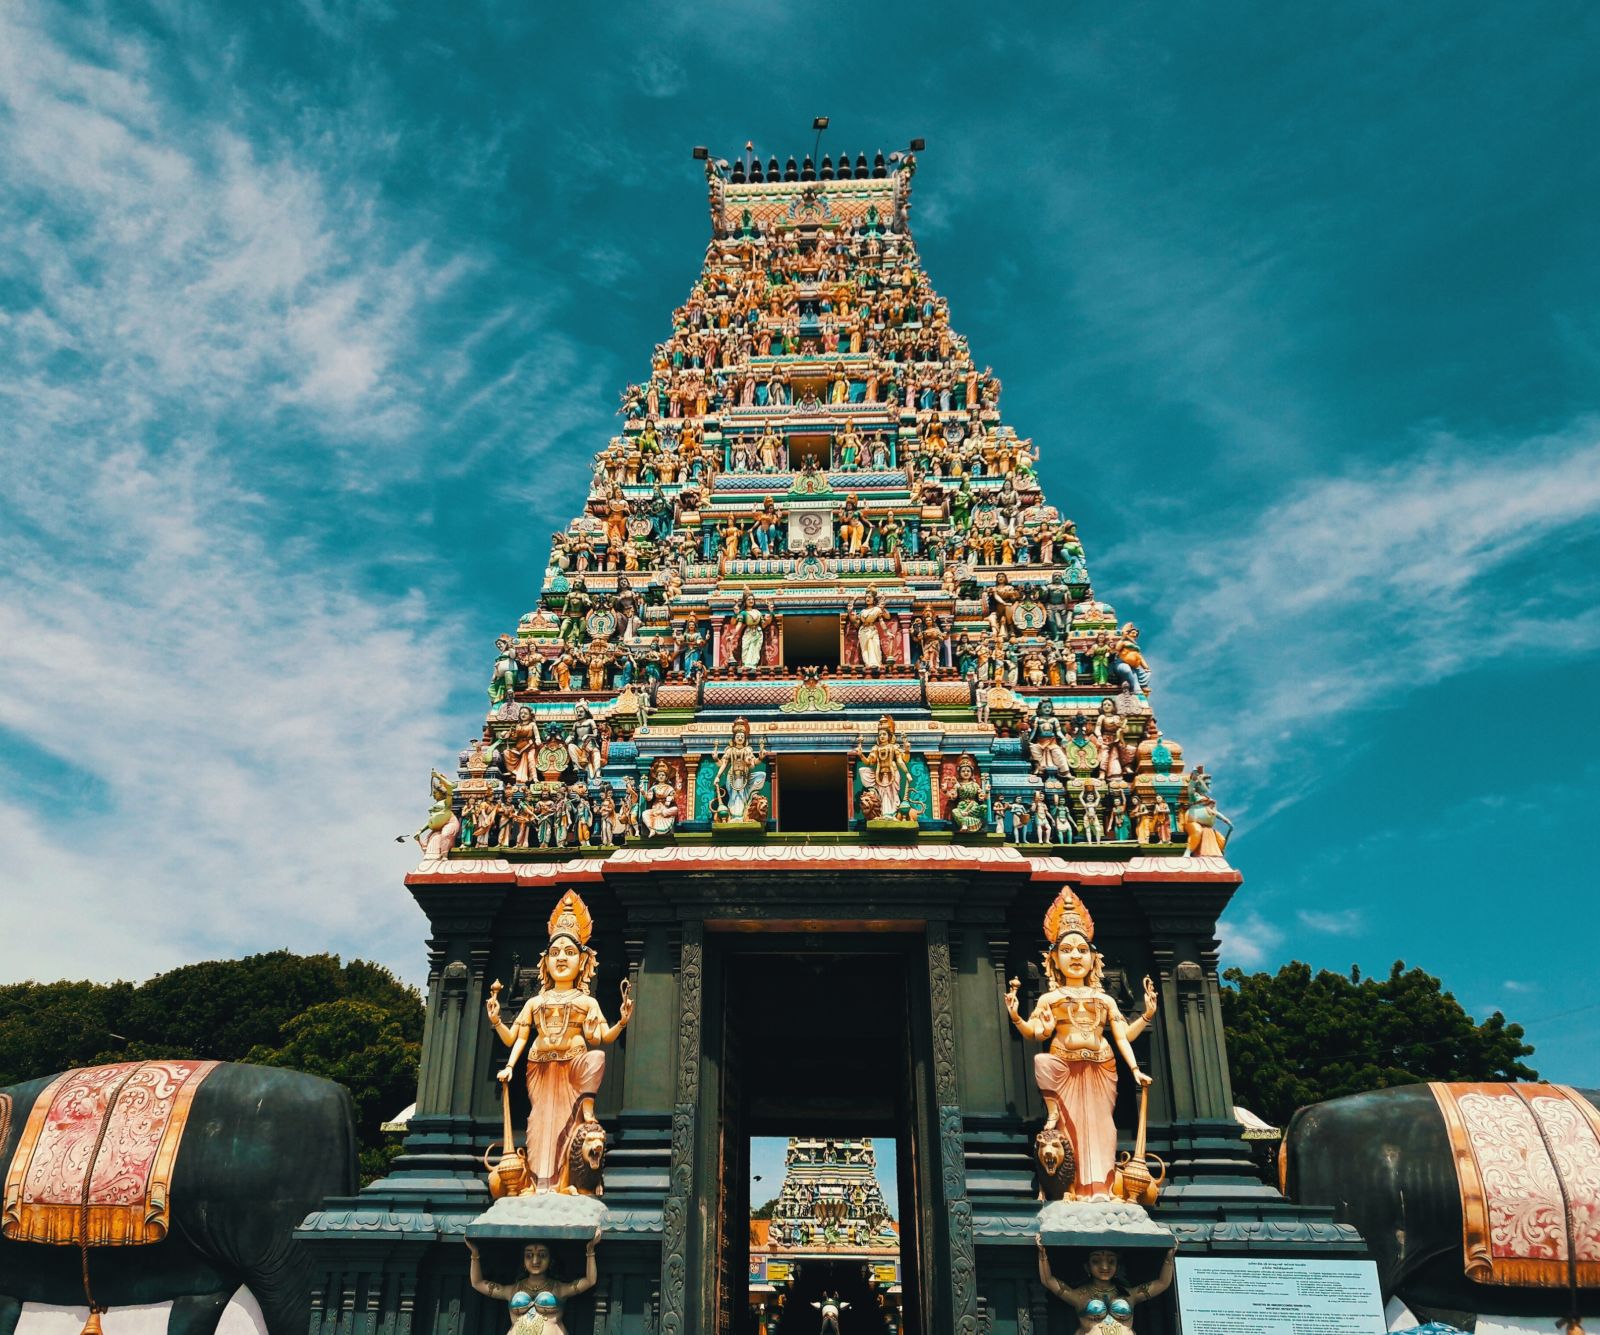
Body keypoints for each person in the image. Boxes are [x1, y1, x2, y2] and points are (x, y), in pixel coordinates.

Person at [1003, 889, 1157, 1199]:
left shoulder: (1103, 999)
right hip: (1065, 1068)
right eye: (1068, 950)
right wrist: (1016, 1016)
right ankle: (1070, 1187)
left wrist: (1139, 1052)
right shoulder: (1051, 998)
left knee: (1103, 1129)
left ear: (1094, 959)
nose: (1076, 956)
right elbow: (1038, 1032)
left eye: (1082, 950)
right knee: (1067, 1128)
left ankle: (1101, 1189)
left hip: (1102, 1066)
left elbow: (1122, 1036)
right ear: (1054, 960)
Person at [486, 892, 633, 1190]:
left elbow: (600, 1038)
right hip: (539, 1068)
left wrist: (621, 1021)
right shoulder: (537, 1002)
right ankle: (541, 1185)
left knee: (579, 1104)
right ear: (546, 963)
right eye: (555, 953)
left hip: (573, 1071)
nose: (562, 958)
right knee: (539, 1124)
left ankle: (570, 1177)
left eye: (569, 952)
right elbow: (517, 1038)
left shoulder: (587, 1002)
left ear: (583, 962)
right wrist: (498, 1025)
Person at [464, 1230, 601, 1330]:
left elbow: (590, 1280)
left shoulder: (559, 1289)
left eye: (542, 1255)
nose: (535, 1261)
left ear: (551, 1260)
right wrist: (474, 1255)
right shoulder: (512, 1290)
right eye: (529, 1255)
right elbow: (477, 1283)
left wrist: (590, 1251)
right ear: (523, 1261)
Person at [1036, 1239, 1175, 1332]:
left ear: (1117, 1266)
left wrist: (1169, 1258)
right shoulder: (1079, 1295)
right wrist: (1043, 1256)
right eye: (1096, 1261)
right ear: (1087, 1267)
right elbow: (1048, 1280)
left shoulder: (1130, 1294)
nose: (1104, 1266)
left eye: (1111, 1262)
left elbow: (1162, 1283)